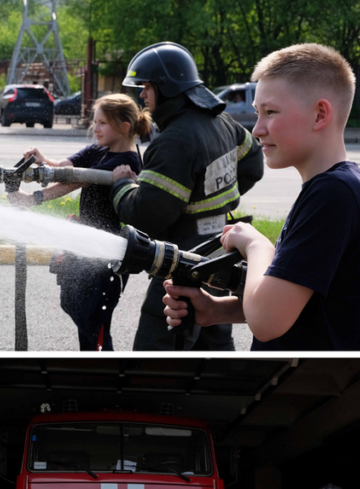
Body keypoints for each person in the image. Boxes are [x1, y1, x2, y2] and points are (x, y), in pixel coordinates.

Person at [163, 44, 360, 350]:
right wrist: (218, 309)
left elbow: (268, 322)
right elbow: (305, 305)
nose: (257, 129)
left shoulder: (333, 195)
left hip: (312, 393)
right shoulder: (343, 189)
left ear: (320, 114)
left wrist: (256, 245)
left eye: (271, 112)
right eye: (258, 113)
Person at [109, 41, 264, 351]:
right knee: (215, 341)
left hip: (181, 262)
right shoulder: (222, 121)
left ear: (166, 89)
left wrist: (122, 186)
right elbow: (253, 163)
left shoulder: (175, 140)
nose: (142, 94)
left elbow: (147, 214)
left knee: (159, 344)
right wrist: (214, 200)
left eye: (147, 87)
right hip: (219, 255)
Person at [13, 94, 146, 350]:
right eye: (95, 122)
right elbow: (67, 168)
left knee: (95, 323)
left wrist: (33, 198)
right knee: (81, 313)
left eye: (102, 123)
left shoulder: (126, 163)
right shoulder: (101, 148)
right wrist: (44, 160)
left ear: (124, 126)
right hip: (87, 245)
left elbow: (75, 181)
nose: (95, 128)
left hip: (108, 254)